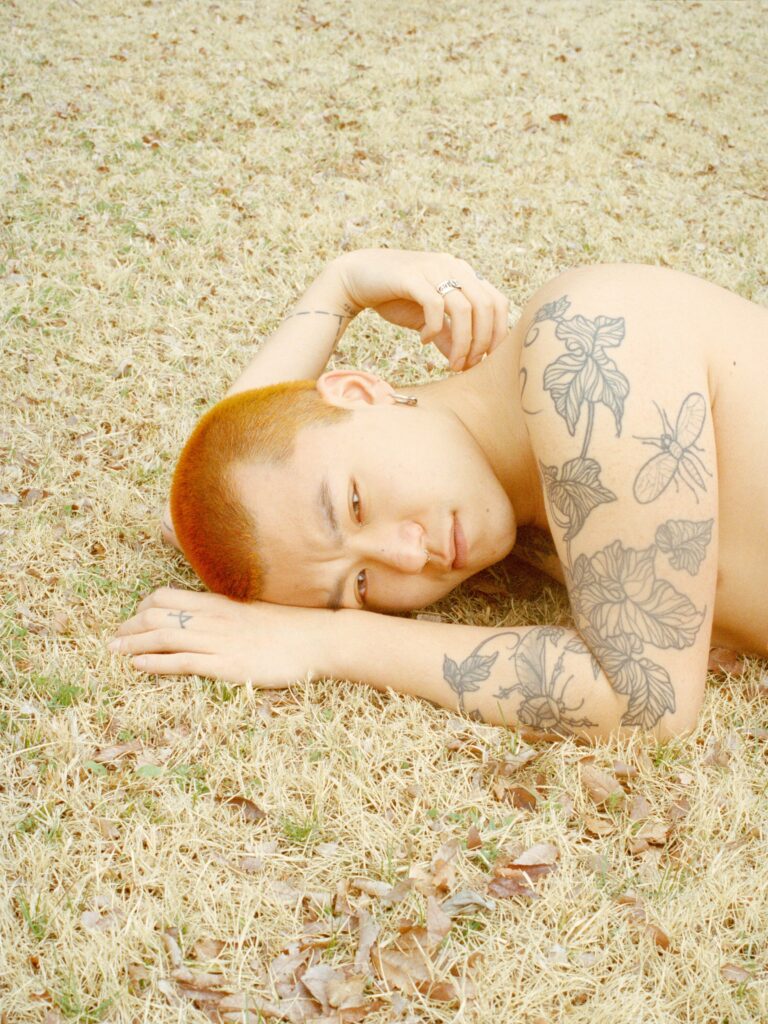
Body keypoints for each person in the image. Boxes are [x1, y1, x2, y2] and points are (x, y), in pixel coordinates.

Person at [109, 249, 768, 742]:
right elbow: (199, 502)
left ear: (361, 392)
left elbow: (647, 704)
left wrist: (327, 638)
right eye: (360, 585)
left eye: (355, 506)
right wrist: (338, 290)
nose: (407, 557)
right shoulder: (496, 490)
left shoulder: (583, 343)